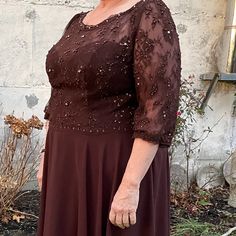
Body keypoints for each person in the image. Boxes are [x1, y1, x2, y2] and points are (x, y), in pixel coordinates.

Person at [36, 0, 182, 235]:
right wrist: (45, 155)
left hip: (114, 163)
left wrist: (130, 185)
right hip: (64, 160)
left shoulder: (149, 13)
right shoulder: (77, 21)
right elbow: (58, 96)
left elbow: (157, 107)